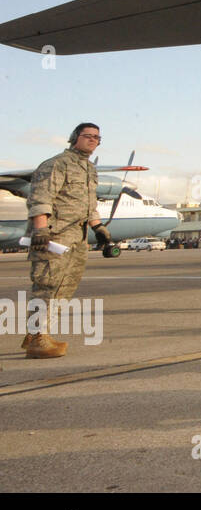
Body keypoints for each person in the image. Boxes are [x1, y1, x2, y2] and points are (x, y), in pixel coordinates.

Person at [21, 123, 112, 359]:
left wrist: (98, 226)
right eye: (87, 136)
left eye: (97, 137)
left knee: (65, 288)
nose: (92, 140)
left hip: (77, 240)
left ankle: (36, 334)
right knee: (46, 287)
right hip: (54, 237)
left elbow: (88, 205)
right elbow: (40, 198)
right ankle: (38, 337)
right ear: (74, 138)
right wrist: (41, 230)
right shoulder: (56, 164)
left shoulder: (90, 169)